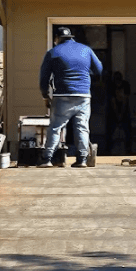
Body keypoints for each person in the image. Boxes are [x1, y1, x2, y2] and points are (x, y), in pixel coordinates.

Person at [38, 27, 103, 168]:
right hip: (83, 95)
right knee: (82, 127)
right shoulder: (86, 50)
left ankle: (47, 159)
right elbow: (99, 69)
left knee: (56, 127)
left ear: (57, 38)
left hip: (62, 95)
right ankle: (82, 160)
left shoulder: (53, 53)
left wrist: (45, 95)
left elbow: (44, 77)